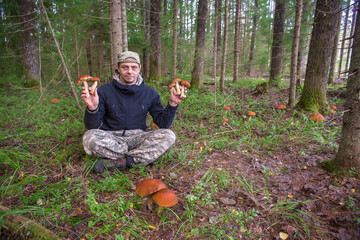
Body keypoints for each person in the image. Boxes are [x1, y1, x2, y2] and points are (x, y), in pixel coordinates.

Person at [80, 51, 185, 172]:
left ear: (139, 68)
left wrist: (173, 104)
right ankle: (141, 158)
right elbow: (92, 126)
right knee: (89, 137)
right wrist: (92, 107)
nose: (129, 71)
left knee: (168, 135)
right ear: (118, 68)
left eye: (133, 67)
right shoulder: (104, 91)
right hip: (111, 137)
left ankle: (121, 162)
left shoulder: (149, 93)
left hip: (138, 137)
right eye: (125, 67)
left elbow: (163, 124)